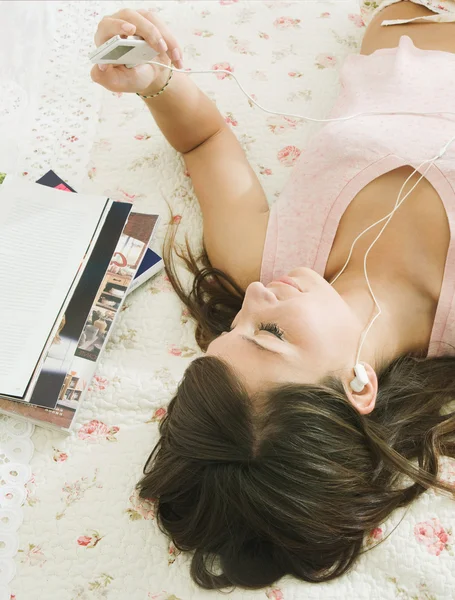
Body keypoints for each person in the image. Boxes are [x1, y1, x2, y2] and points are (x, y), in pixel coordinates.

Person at [91, 1, 455, 590]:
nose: (255, 297)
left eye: (231, 331)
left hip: (411, 22)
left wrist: (150, 76)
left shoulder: (266, 258)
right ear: (358, 384)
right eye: (270, 334)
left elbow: (204, 142)